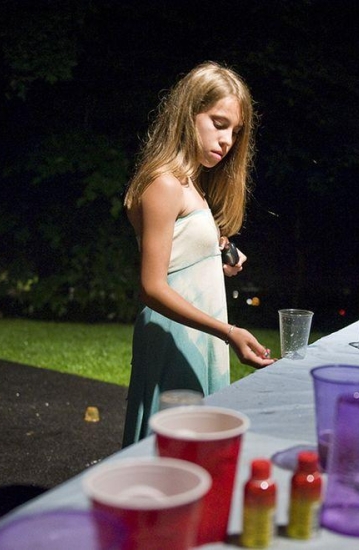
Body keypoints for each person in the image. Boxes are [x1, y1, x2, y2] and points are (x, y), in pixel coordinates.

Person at [121, 61, 275, 447]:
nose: (227, 141)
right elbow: (152, 287)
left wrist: (219, 250)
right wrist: (228, 332)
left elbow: (181, 253)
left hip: (199, 334)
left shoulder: (190, 185)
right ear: (189, 114)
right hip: (178, 337)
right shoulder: (165, 183)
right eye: (219, 123)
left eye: (236, 132)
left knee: (195, 449)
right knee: (174, 449)